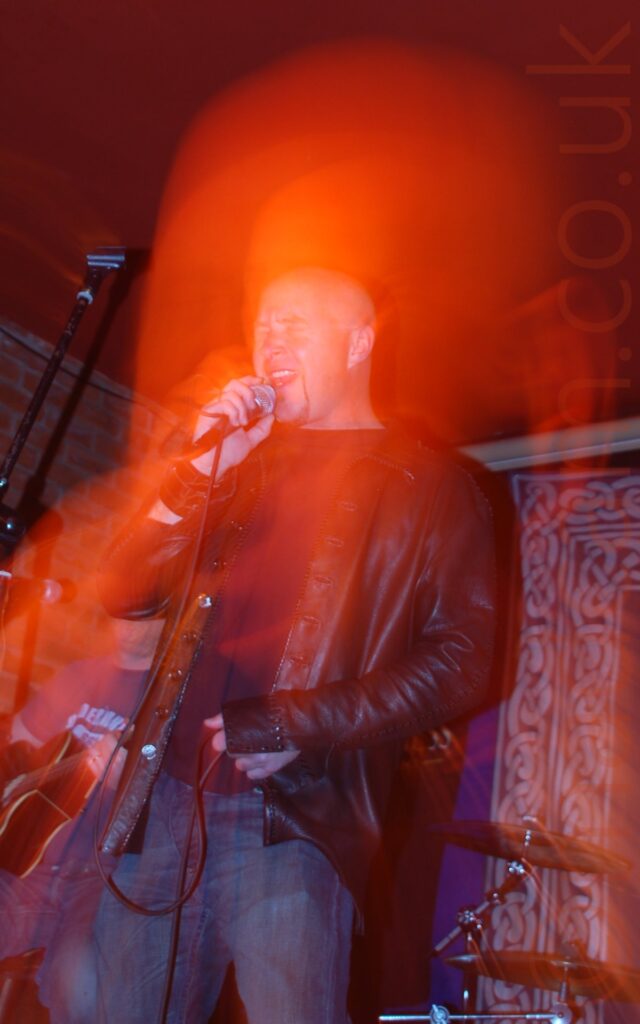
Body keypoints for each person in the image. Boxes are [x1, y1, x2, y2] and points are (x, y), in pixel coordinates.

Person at [94, 266, 496, 1024]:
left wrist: (295, 721)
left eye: (297, 322)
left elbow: (464, 661)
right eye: (264, 323)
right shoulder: (235, 465)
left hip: (295, 819)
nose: (271, 339)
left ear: (359, 342)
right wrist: (202, 470)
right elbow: (122, 589)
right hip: (165, 800)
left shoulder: (428, 483)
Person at [0, 616, 163, 1023]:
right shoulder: (79, 675)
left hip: (101, 882)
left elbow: (178, 814)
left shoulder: (167, 698)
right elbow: (16, 751)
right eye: (120, 611)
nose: (126, 624)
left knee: (88, 994)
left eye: (142, 615)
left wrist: (129, 779)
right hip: (26, 865)